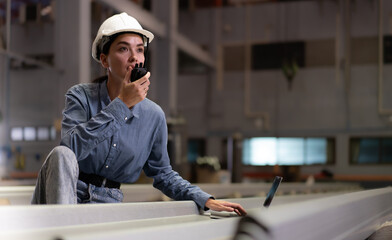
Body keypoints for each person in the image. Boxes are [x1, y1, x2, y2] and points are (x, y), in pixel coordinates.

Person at [31, 12, 246, 216]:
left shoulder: (153, 116)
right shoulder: (80, 96)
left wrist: (205, 199)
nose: (135, 57)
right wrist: (121, 105)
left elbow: (163, 174)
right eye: (124, 49)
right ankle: (62, 230)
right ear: (105, 61)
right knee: (61, 154)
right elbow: (70, 147)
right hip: (65, 196)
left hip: (108, 203)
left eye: (140, 50)